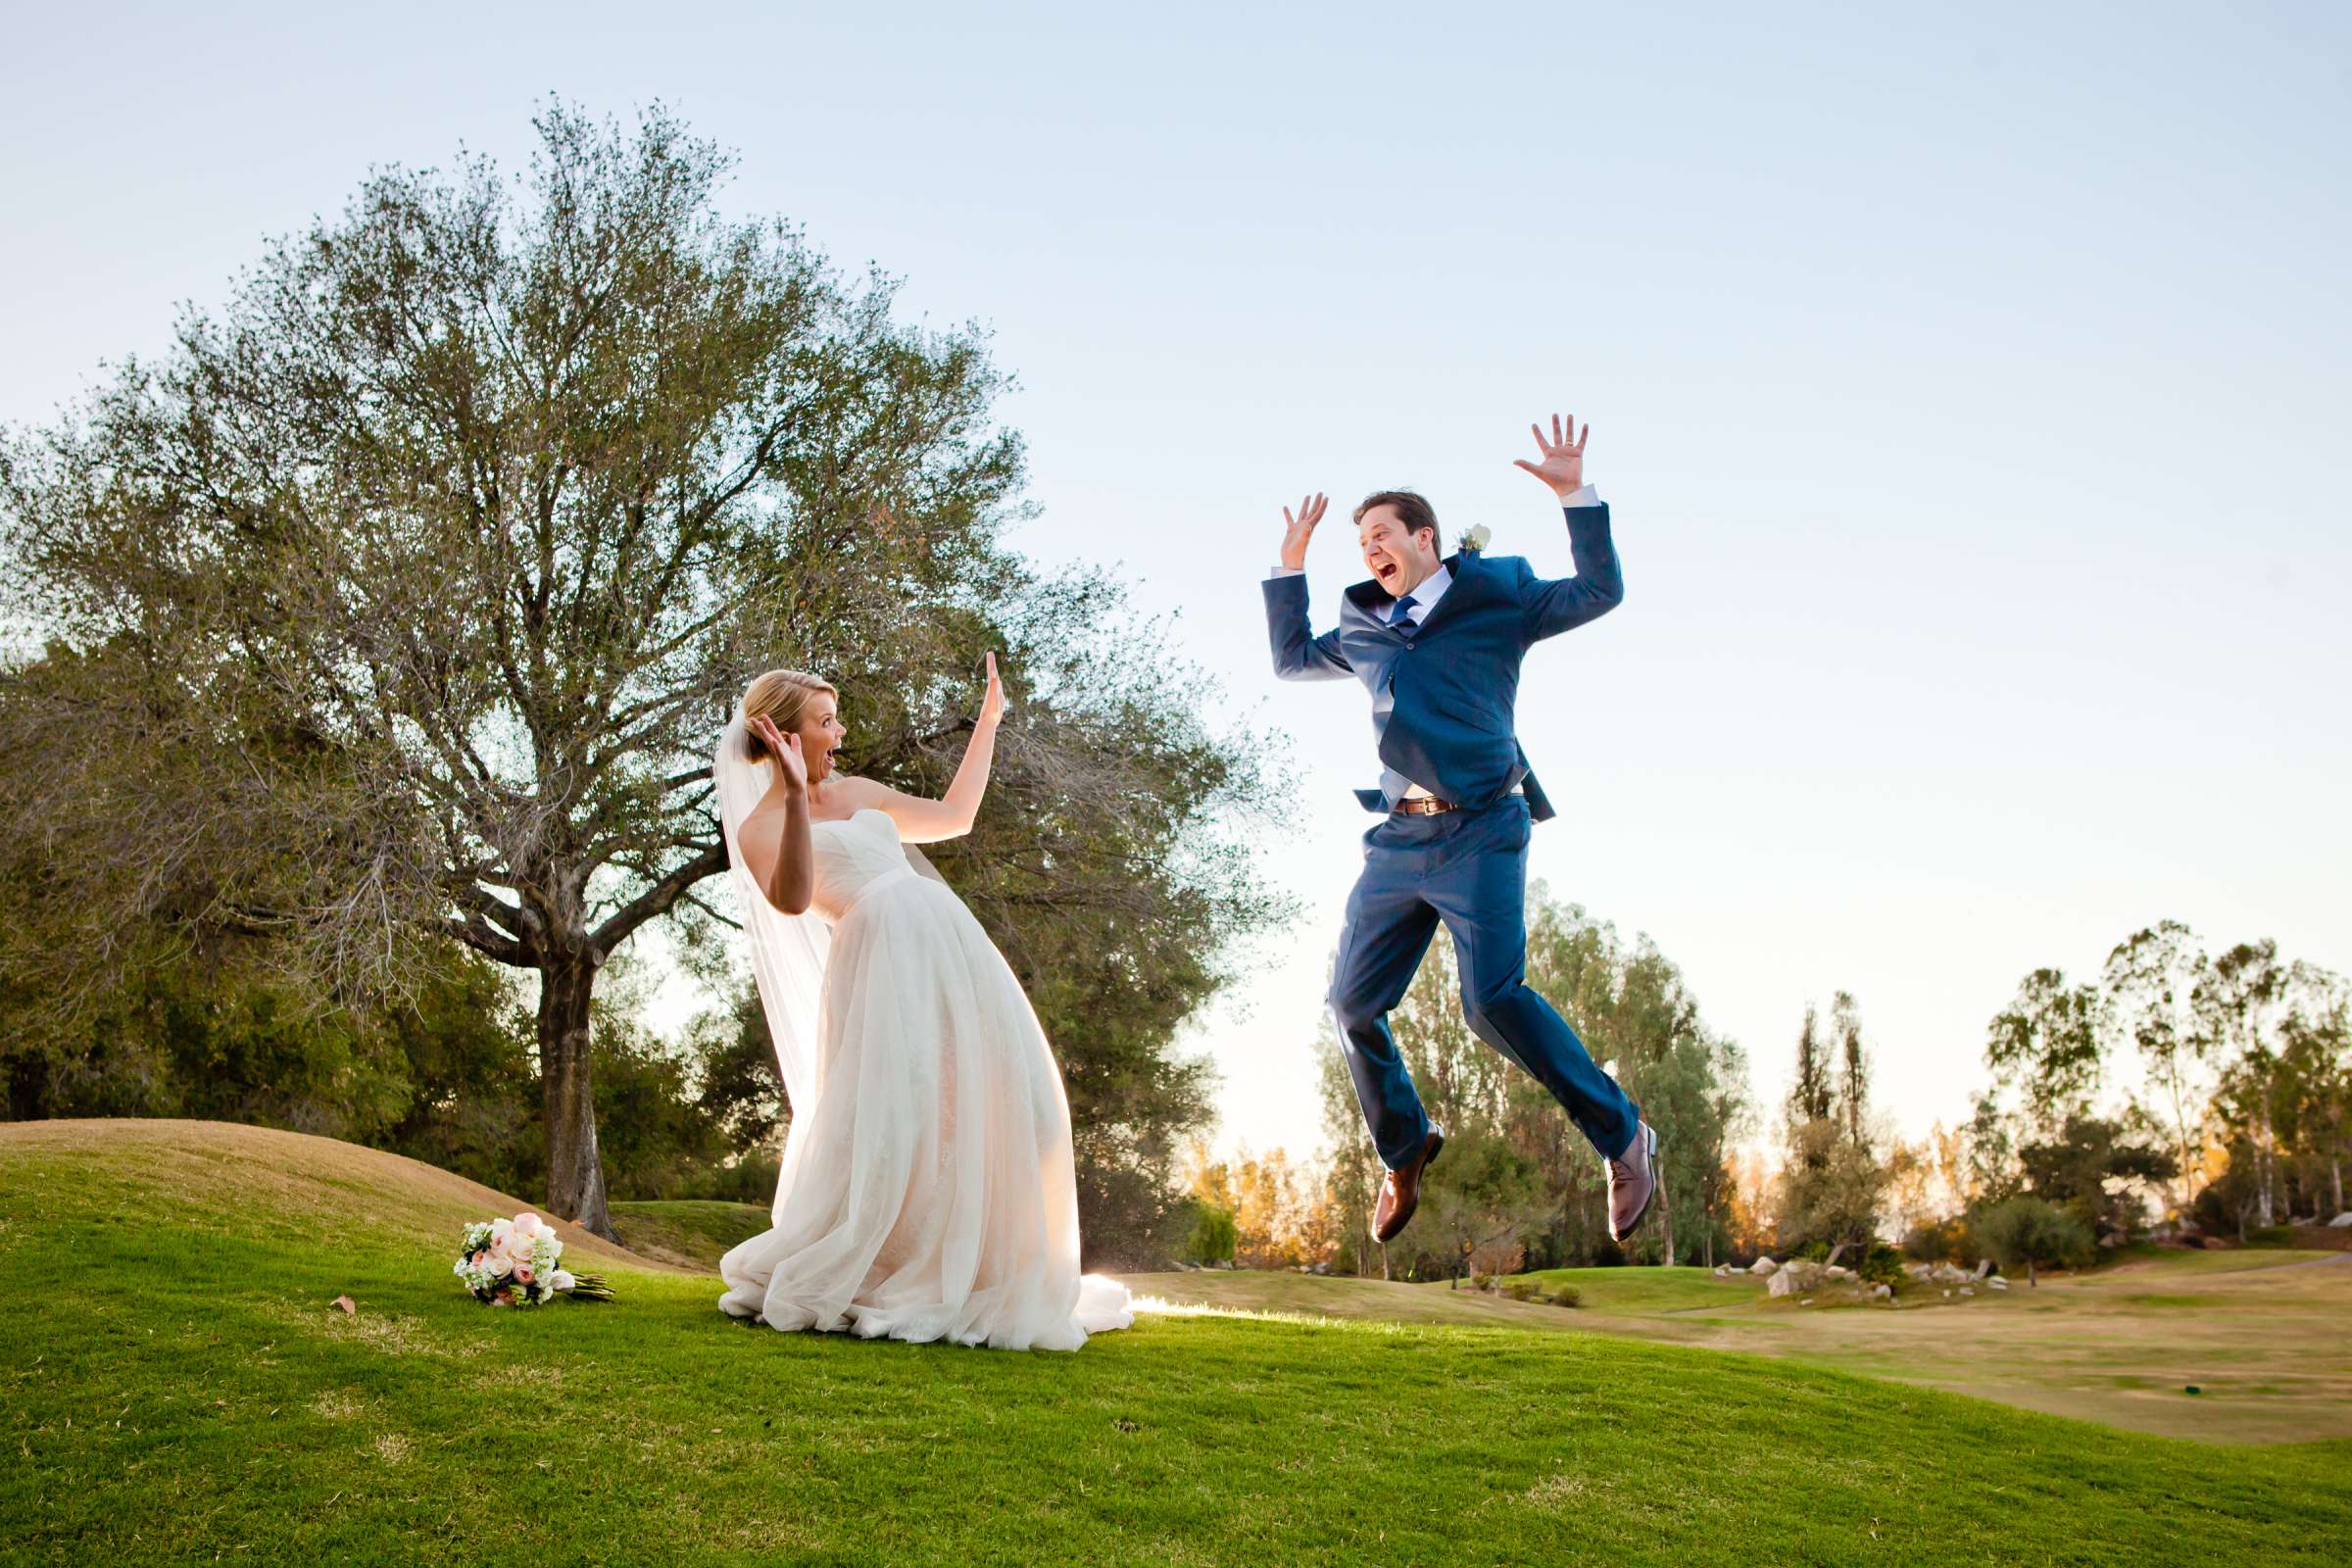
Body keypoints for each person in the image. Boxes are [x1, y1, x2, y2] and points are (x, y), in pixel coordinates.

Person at [1262, 413, 1660, 1247]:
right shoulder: (1365, 623)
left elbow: (1599, 592)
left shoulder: (1495, 596)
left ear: (1424, 537)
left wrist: (1575, 497)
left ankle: (1623, 1138)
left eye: (1382, 532)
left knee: (1491, 1003)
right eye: (1361, 539)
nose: (1369, 546)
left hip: (1482, 827)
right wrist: (1288, 568)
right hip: (1398, 842)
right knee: (1350, 1003)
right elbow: (1293, 655)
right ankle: (1404, 1149)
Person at [711, 656, 1133, 1349]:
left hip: (946, 945)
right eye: (825, 721)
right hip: (877, 959)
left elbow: (954, 817)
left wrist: (988, 723)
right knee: (900, 1108)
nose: (839, 732)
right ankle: (900, 1263)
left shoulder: (857, 790)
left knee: (999, 1094)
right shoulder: (760, 825)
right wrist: (791, 796)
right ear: (786, 734)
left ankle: (979, 1261)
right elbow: (790, 898)